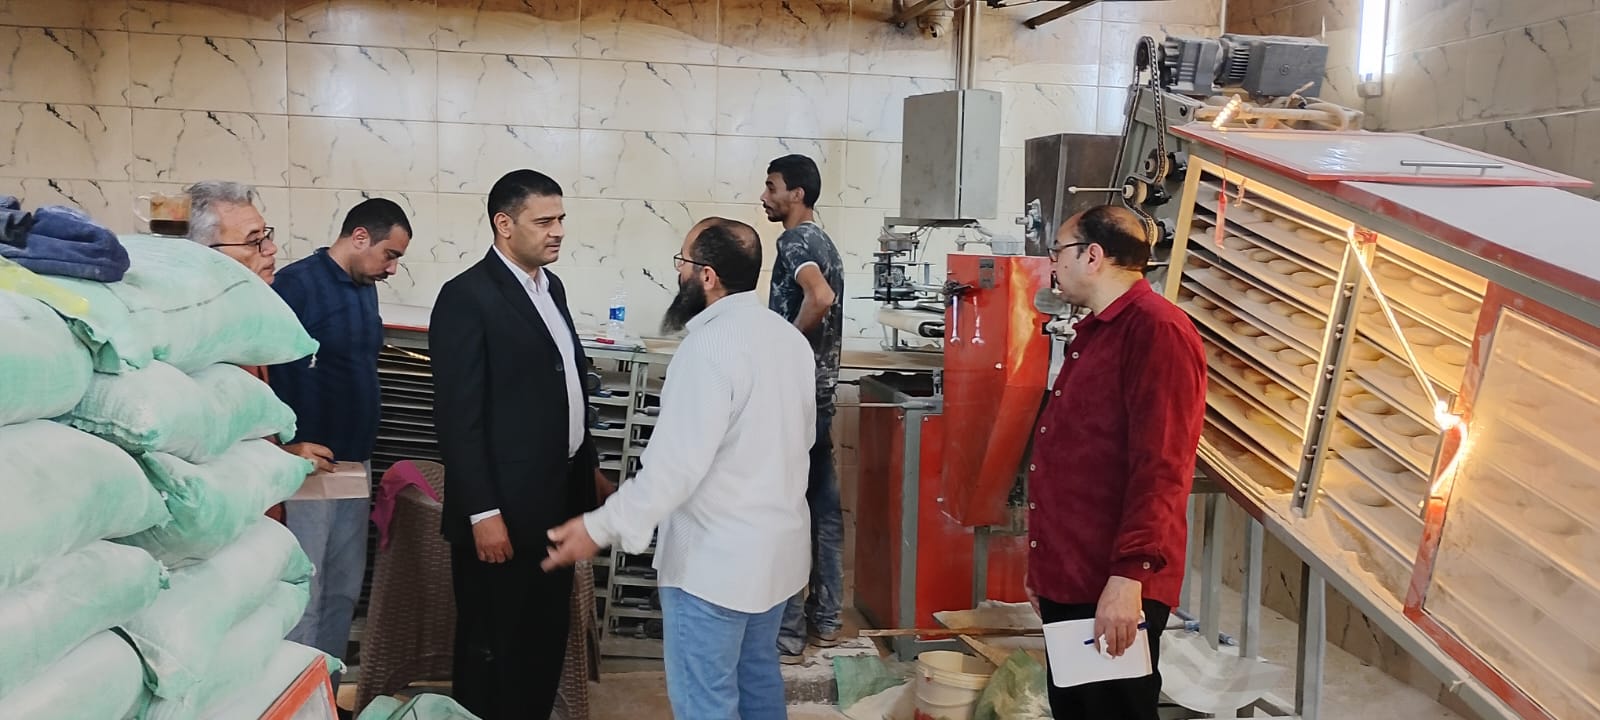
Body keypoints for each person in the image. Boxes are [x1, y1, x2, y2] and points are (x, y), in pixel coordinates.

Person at [543, 216, 815, 719]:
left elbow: (674, 468)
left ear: (707, 276)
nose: (679, 272)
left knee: (705, 701)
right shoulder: (789, 339)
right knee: (757, 680)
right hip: (778, 557)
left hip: (715, 566)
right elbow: (804, 443)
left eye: (683, 262)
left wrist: (599, 526)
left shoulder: (708, 348)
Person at [429, 169, 611, 720]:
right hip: (502, 509)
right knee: (494, 646)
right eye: (544, 221)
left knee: (542, 640)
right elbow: (458, 419)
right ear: (504, 225)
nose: (558, 231)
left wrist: (589, 468)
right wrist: (483, 513)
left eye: (561, 219)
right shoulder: (467, 297)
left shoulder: (551, 288)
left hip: (558, 499)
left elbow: (566, 385)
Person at [1026, 205, 1206, 719]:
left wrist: (1130, 577)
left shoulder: (1157, 331)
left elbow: (1163, 466)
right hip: (1075, 572)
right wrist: (1045, 568)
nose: (1053, 265)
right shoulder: (1098, 332)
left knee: (1113, 711)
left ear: (1093, 255)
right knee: (1078, 709)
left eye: (1058, 252)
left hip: (1113, 579)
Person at [266, 198, 412, 693]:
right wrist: (286, 446)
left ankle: (325, 690)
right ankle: (296, 697)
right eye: (389, 255)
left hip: (354, 461)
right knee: (306, 587)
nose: (391, 269)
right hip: (310, 464)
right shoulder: (297, 285)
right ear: (359, 237)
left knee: (344, 587)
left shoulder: (364, 288)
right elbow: (268, 370)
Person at [183, 179, 334, 479]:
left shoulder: (250, 316)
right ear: (203, 252)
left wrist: (279, 451)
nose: (271, 248)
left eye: (266, 235)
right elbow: (196, 444)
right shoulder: (193, 334)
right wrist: (279, 454)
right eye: (254, 241)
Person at [760, 153, 846, 664]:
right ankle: (827, 621)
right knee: (823, 510)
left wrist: (784, 345)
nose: (765, 196)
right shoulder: (824, 240)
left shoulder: (794, 241)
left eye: (772, 186)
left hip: (797, 400)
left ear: (796, 194)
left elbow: (820, 296)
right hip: (822, 395)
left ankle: (788, 634)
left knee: (788, 511)